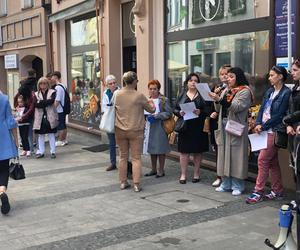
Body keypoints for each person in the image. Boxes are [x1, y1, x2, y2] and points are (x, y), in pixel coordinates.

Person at [246, 66, 290, 204]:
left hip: (274, 130)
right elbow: (262, 109)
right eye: (269, 75)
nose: (269, 78)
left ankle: (258, 191)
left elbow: (279, 115)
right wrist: (258, 123)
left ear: (280, 76)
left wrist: (263, 126)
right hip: (263, 129)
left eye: (272, 75)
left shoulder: (285, 93)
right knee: (272, 162)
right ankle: (278, 190)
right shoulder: (270, 91)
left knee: (263, 160)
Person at [209, 67, 253, 196]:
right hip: (223, 125)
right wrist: (215, 98)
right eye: (228, 77)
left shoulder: (244, 91)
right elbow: (218, 107)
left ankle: (238, 185)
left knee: (236, 155)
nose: (228, 79)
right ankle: (225, 182)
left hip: (236, 126)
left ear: (238, 77)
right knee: (223, 154)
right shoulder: (226, 90)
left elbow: (237, 107)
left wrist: (220, 99)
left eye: (231, 76)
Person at [114, 71, 155, 192]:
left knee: (123, 156)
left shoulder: (117, 94)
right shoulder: (139, 95)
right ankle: (136, 184)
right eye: (137, 80)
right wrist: (152, 103)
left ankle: (123, 182)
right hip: (136, 130)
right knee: (136, 157)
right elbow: (151, 110)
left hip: (120, 129)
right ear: (134, 81)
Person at [174, 73, 209, 184]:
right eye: (191, 80)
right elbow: (174, 108)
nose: (193, 82)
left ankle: (196, 174)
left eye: (196, 80)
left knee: (198, 152)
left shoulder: (203, 94)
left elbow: (209, 109)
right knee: (184, 152)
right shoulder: (182, 94)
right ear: (187, 83)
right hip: (185, 126)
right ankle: (183, 174)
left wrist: (201, 112)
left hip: (198, 126)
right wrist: (179, 113)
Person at [144, 80, 172, 178]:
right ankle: (153, 169)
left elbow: (169, 113)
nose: (152, 91)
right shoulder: (147, 100)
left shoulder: (164, 100)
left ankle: (161, 170)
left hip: (160, 126)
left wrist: (157, 115)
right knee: (151, 148)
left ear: (158, 89)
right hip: (150, 126)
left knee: (160, 149)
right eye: (150, 89)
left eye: (154, 89)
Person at [210, 64, 231, 187]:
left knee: (228, 150)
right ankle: (219, 175)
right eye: (221, 74)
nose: (223, 76)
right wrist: (215, 98)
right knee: (218, 149)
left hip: (229, 121)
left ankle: (227, 177)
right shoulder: (218, 87)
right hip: (217, 122)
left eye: (226, 74)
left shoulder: (232, 89)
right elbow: (214, 106)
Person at [0, 91, 19, 214]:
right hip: (4, 139)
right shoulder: (4, 99)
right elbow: (11, 121)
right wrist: (16, 141)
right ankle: (2, 191)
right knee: (3, 169)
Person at [33, 77, 58, 159]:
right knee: (41, 135)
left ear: (48, 84)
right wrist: (45, 102)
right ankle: (41, 151)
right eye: (41, 83)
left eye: (44, 83)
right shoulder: (36, 94)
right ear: (38, 85)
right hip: (40, 117)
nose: (43, 85)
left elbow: (51, 101)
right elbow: (35, 104)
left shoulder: (53, 92)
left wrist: (40, 102)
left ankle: (53, 152)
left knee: (51, 134)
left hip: (50, 116)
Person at [283, 59, 300, 170]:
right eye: (291, 70)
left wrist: (287, 119)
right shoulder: (294, 87)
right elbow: (289, 107)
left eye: (295, 70)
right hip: (292, 130)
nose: (292, 73)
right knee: (295, 166)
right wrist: (288, 124)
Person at [101, 75, 119, 171]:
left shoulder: (119, 92)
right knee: (111, 143)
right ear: (107, 85)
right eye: (110, 83)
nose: (113, 85)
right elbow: (104, 106)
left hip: (119, 120)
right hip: (109, 120)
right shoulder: (105, 93)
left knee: (122, 143)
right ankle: (113, 163)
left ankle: (124, 163)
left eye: (114, 83)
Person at [14, 84, 36, 153]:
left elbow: (31, 108)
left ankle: (30, 149)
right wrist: (17, 108)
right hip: (22, 119)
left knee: (29, 134)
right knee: (23, 136)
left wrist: (23, 116)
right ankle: (26, 149)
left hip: (29, 117)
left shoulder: (32, 95)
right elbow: (15, 98)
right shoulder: (22, 93)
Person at [51, 71, 68, 147]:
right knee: (63, 125)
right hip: (63, 108)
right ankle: (64, 140)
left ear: (55, 77)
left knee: (61, 126)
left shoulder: (58, 87)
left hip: (59, 109)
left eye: (52, 77)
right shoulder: (63, 85)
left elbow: (57, 100)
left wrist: (52, 109)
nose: (51, 79)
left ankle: (60, 140)